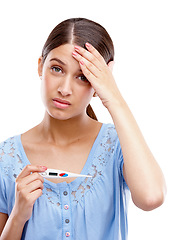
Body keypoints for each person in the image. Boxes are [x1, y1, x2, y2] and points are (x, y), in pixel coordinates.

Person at [0, 18, 166, 240]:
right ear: (40, 66)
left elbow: (152, 198)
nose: (65, 89)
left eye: (82, 77)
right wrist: (18, 216)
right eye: (57, 69)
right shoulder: (6, 157)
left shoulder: (118, 145)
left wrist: (113, 97)